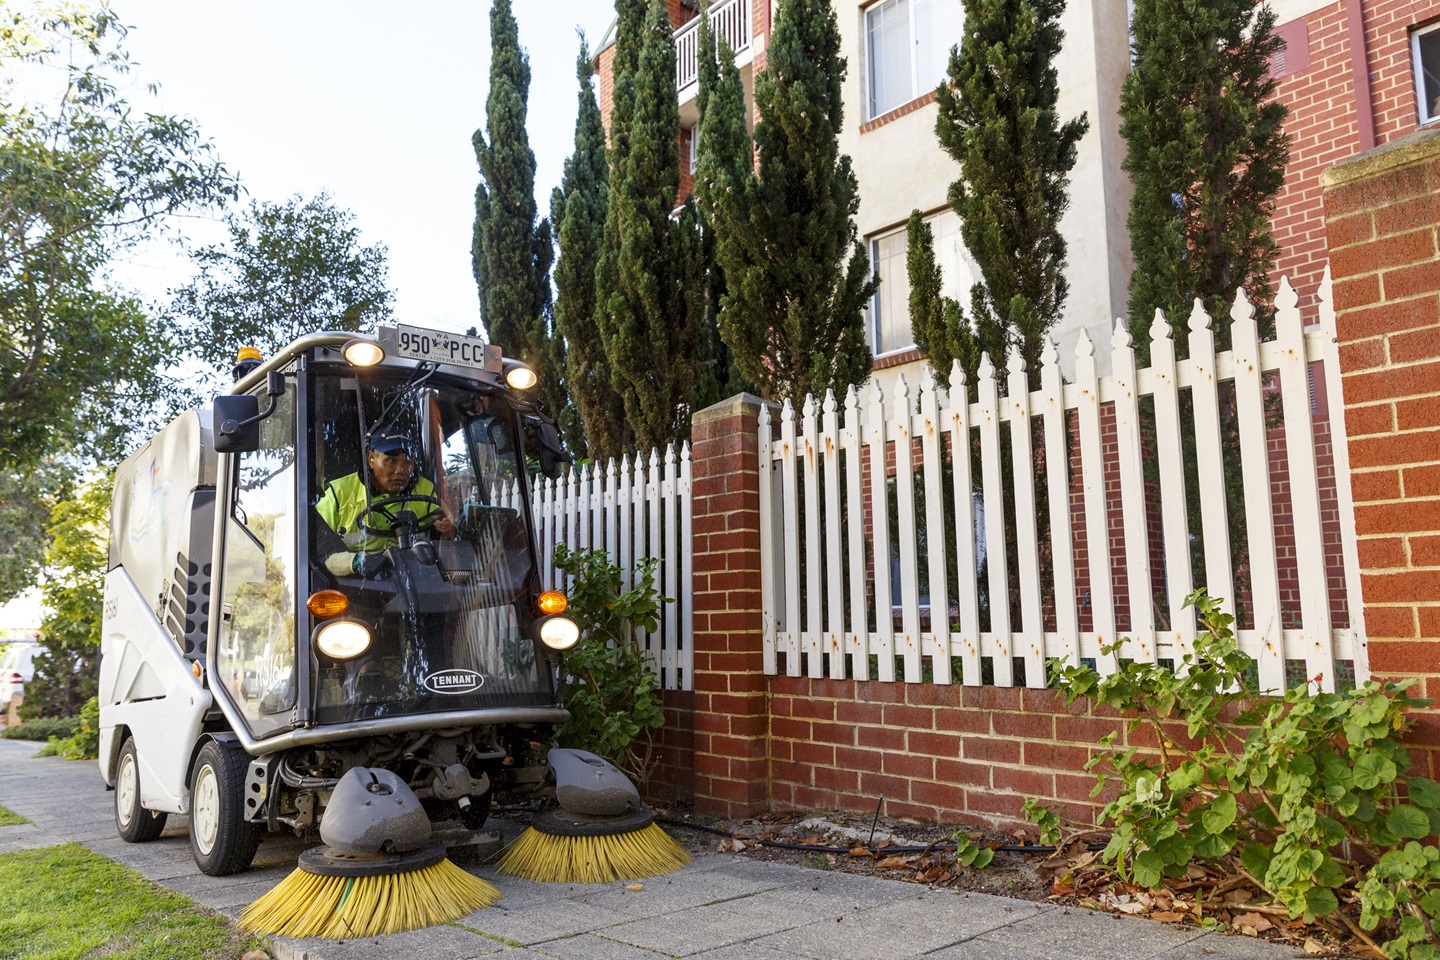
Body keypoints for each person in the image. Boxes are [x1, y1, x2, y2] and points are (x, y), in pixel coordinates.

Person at [316, 429, 454, 576]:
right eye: (391, 461)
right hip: (356, 582)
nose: (400, 470)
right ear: (371, 459)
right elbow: (318, 549)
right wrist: (356, 562)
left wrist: (447, 528)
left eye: (407, 461)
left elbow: (448, 538)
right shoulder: (338, 493)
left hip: (416, 577)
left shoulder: (426, 490)